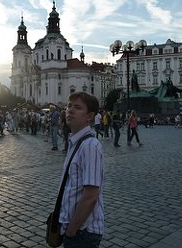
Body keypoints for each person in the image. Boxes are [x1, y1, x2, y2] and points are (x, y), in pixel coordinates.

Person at [59, 91, 104, 248]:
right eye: (69, 106)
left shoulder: (90, 146)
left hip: (83, 232)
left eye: (77, 107)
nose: (70, 110)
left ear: (89, 116)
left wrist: (72, 230)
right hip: (75, 229)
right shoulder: (76, 142)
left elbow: (91, 195)